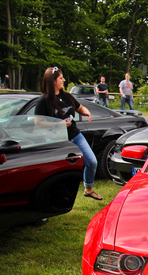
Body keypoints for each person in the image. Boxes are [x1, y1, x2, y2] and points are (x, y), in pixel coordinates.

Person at [35, 67, 102, 200]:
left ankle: (88, 189)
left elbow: (79, 107)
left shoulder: (66, 96)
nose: (64, 80)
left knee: (92, 161)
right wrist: (58, 124)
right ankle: (54, 195)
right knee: (57, 171)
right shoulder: (44, 100)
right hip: (57, 140)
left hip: (75, 136)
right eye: (61, 78)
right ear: (53, 81)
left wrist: (86, 111)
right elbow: (38, 122)